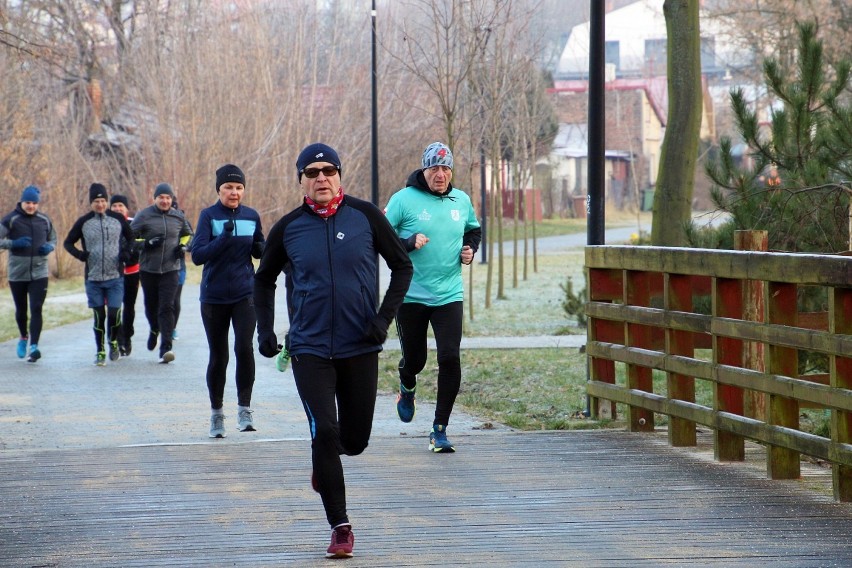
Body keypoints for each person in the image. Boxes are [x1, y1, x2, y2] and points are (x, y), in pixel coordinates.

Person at [254, 143, 412, 559]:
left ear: (340, 175)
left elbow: (402, 266)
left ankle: (324, 460)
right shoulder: (288, 228)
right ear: (301, 180)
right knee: (325, 430)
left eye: (328, 170)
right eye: (311, 172)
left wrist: (383, 319)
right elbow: (263, 279)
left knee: (354, 440)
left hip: (360, 342)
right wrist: (265, 330)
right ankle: (340, 526)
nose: (320, 177)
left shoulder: (366, 216)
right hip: (308, 346)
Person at [384, 142, 482, 453]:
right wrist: (409, 242)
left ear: (451, 171)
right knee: (416, 360)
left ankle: (439, 429)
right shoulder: (403, 200)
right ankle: (407, 385)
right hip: (411, 295)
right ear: (424, 170)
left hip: (449, 293)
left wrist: (470, 250)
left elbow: (473, 230)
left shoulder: (461, 200)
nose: (440, 174)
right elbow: (381, 240)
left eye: (445, 168)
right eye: (434, 168)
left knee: (450, 357)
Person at [191, 164, 265, 438]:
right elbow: (197, 255)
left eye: (238, 188)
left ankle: (245, 410)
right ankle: (216, 415)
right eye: (228, 188)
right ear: (219, 190)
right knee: (219, 355)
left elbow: (259, 248)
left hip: (245, 293)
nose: (234, 193)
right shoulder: (208, 215)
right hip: (214, 296)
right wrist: (223, 237)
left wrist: (262, 248)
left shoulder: (252, 215)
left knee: (245, 348)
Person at [64, 183, 136, 366]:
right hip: (93, 278)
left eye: (103, 200)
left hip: (115, 276)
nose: (101, 204)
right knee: (99, 316)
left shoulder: (117, 219)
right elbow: (68, 243)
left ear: (107, 201)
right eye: (97, 201)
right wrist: (81, 255)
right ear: (91, 203)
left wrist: (126, 254)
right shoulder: (84, 222)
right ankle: (100, 350)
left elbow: (131, 238)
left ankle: (113, 341)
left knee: (114, 313)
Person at [130, 182, 193, 364]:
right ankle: (154, 329)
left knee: (167, 306)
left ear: (171, 199)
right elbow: (129, 238)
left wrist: (183, 246)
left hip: (171, 269)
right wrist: (146, 243)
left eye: (168, 198)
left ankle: (166, 348)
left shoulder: (178, 217)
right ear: (155, 198)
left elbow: (188, 234)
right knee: (151, 306)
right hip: (149, 269)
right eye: (161, 198)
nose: (165, 201)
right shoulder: (144, 216)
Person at [0, 185, 57, 362]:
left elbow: (53, 238)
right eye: (28, 202)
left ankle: (34, 347)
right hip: (17, 272)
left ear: (38, 203)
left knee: (36, 308)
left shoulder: (44, 220)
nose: (31, 206)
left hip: (39, 271)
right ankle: (24, 337)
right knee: (22, 309)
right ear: (22, 202)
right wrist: (13, 243)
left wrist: (50, 247)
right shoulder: (11, 219)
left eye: (34, 203)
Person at [109, 195, 141, 356]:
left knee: (129, 307)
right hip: (111, 273)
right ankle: (118, 336)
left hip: (132, 271)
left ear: (126, 208)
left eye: (121, 205)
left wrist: (132, 252)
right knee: (114, 308)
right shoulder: (106, 223)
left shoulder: (134, 223)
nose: (117, 208)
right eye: (114, 206)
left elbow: (140, 242)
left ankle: (126, 337)